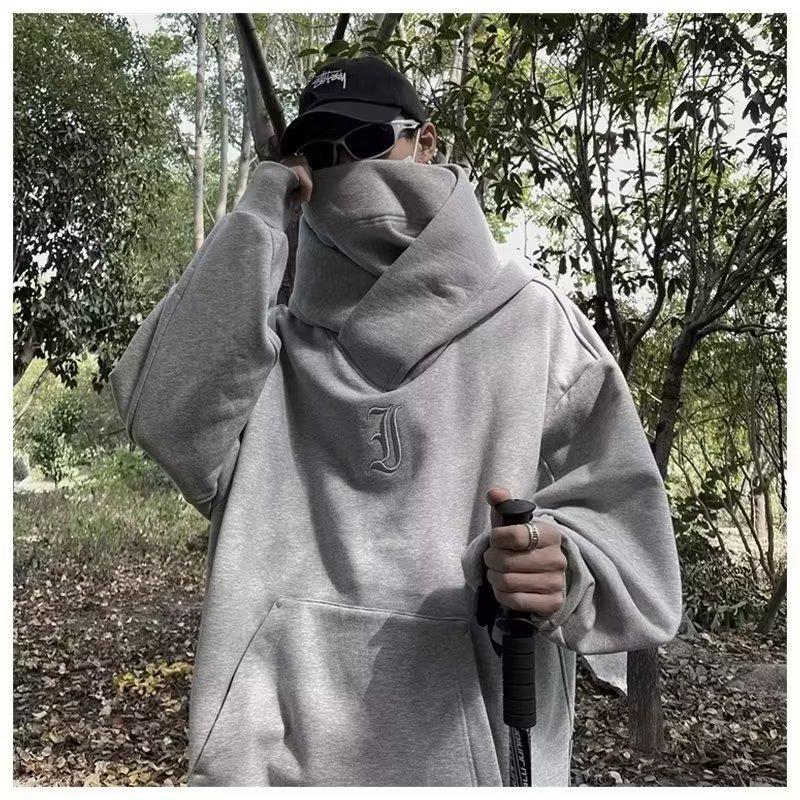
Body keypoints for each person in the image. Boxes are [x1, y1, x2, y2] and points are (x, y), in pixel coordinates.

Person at [108, 54, 683, 787]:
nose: (346, 167)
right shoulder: (261, 346)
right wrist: (259, 213)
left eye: (367, 141)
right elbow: (165, 417)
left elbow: (636, 551)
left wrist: (563, 570)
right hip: (269, 761)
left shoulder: (535, 323)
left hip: (468, 759)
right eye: (319, 153)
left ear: (426, 143)